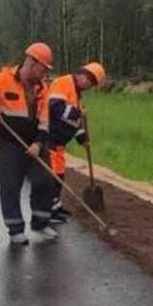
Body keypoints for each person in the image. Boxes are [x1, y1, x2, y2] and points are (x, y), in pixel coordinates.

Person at [0, 43, 58, 245]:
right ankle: (15, 228)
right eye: (43, 68)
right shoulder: (4, 80)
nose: (44, 73)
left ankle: (41, 223)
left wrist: (38, 144)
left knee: (45, 180)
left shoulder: (44, 89)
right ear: (31, 62)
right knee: (10, 186)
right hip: (11, 143)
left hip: (35, 142)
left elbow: (45, 121)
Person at [44, 62, 106, 224]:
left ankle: (55, 207)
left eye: (92, 85)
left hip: (59, 143)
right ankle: (48, 210)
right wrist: (77, 112)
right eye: (89, 82)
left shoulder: (77, 93)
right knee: (53, 176)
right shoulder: (63, 83)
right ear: (82, 75)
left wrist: (82, 138)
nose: (88, 86)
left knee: (59, 176)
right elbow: (54, 107)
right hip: (49, 138)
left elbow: (73, 123)